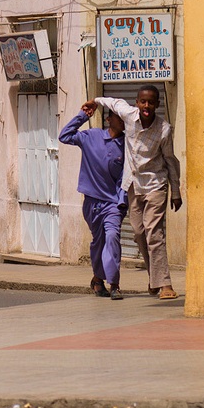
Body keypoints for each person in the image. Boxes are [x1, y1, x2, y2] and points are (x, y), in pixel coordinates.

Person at [84, 85, 182, 300]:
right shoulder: (128, 115)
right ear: (137, 103)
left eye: (151, 102)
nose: (146, 106)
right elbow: (112, 102)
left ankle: (164, 283)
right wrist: (94, 101)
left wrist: (176, 190)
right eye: (143, 102)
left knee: (153, 233)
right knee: (139, 233)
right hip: (132, 185)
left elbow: (170, 160)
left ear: (157, 104)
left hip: (155, 184)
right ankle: (153, 278)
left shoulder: (164, 129)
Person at [58, 105, 127, 300]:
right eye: (118, 116)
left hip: (113, 203)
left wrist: (122, 202)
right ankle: (98, 279)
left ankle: (114, 284)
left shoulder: (127, 145)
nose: (122, 120)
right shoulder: (91, 137)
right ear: (108, 119)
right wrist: (83, 115)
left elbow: (125, 178)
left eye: (124, 117)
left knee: (112, 236)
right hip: (92, 203)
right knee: (99, 242)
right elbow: (65, 136)